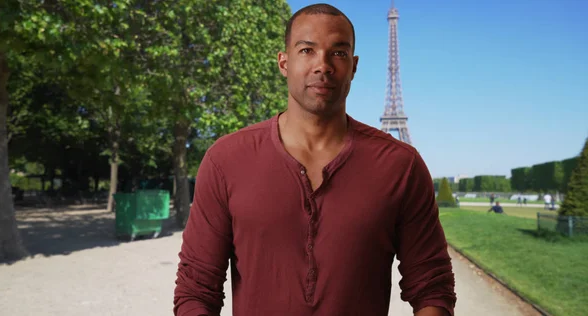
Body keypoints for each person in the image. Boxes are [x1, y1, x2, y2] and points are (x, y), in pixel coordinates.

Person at [173, 4, 456, 316]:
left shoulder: (401, 166)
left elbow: (432, 287)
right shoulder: (225, 160)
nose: (323, 65)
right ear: (284, 62)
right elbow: (196, 290)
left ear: (354, 65)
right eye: (307, 50)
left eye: (338, 52)